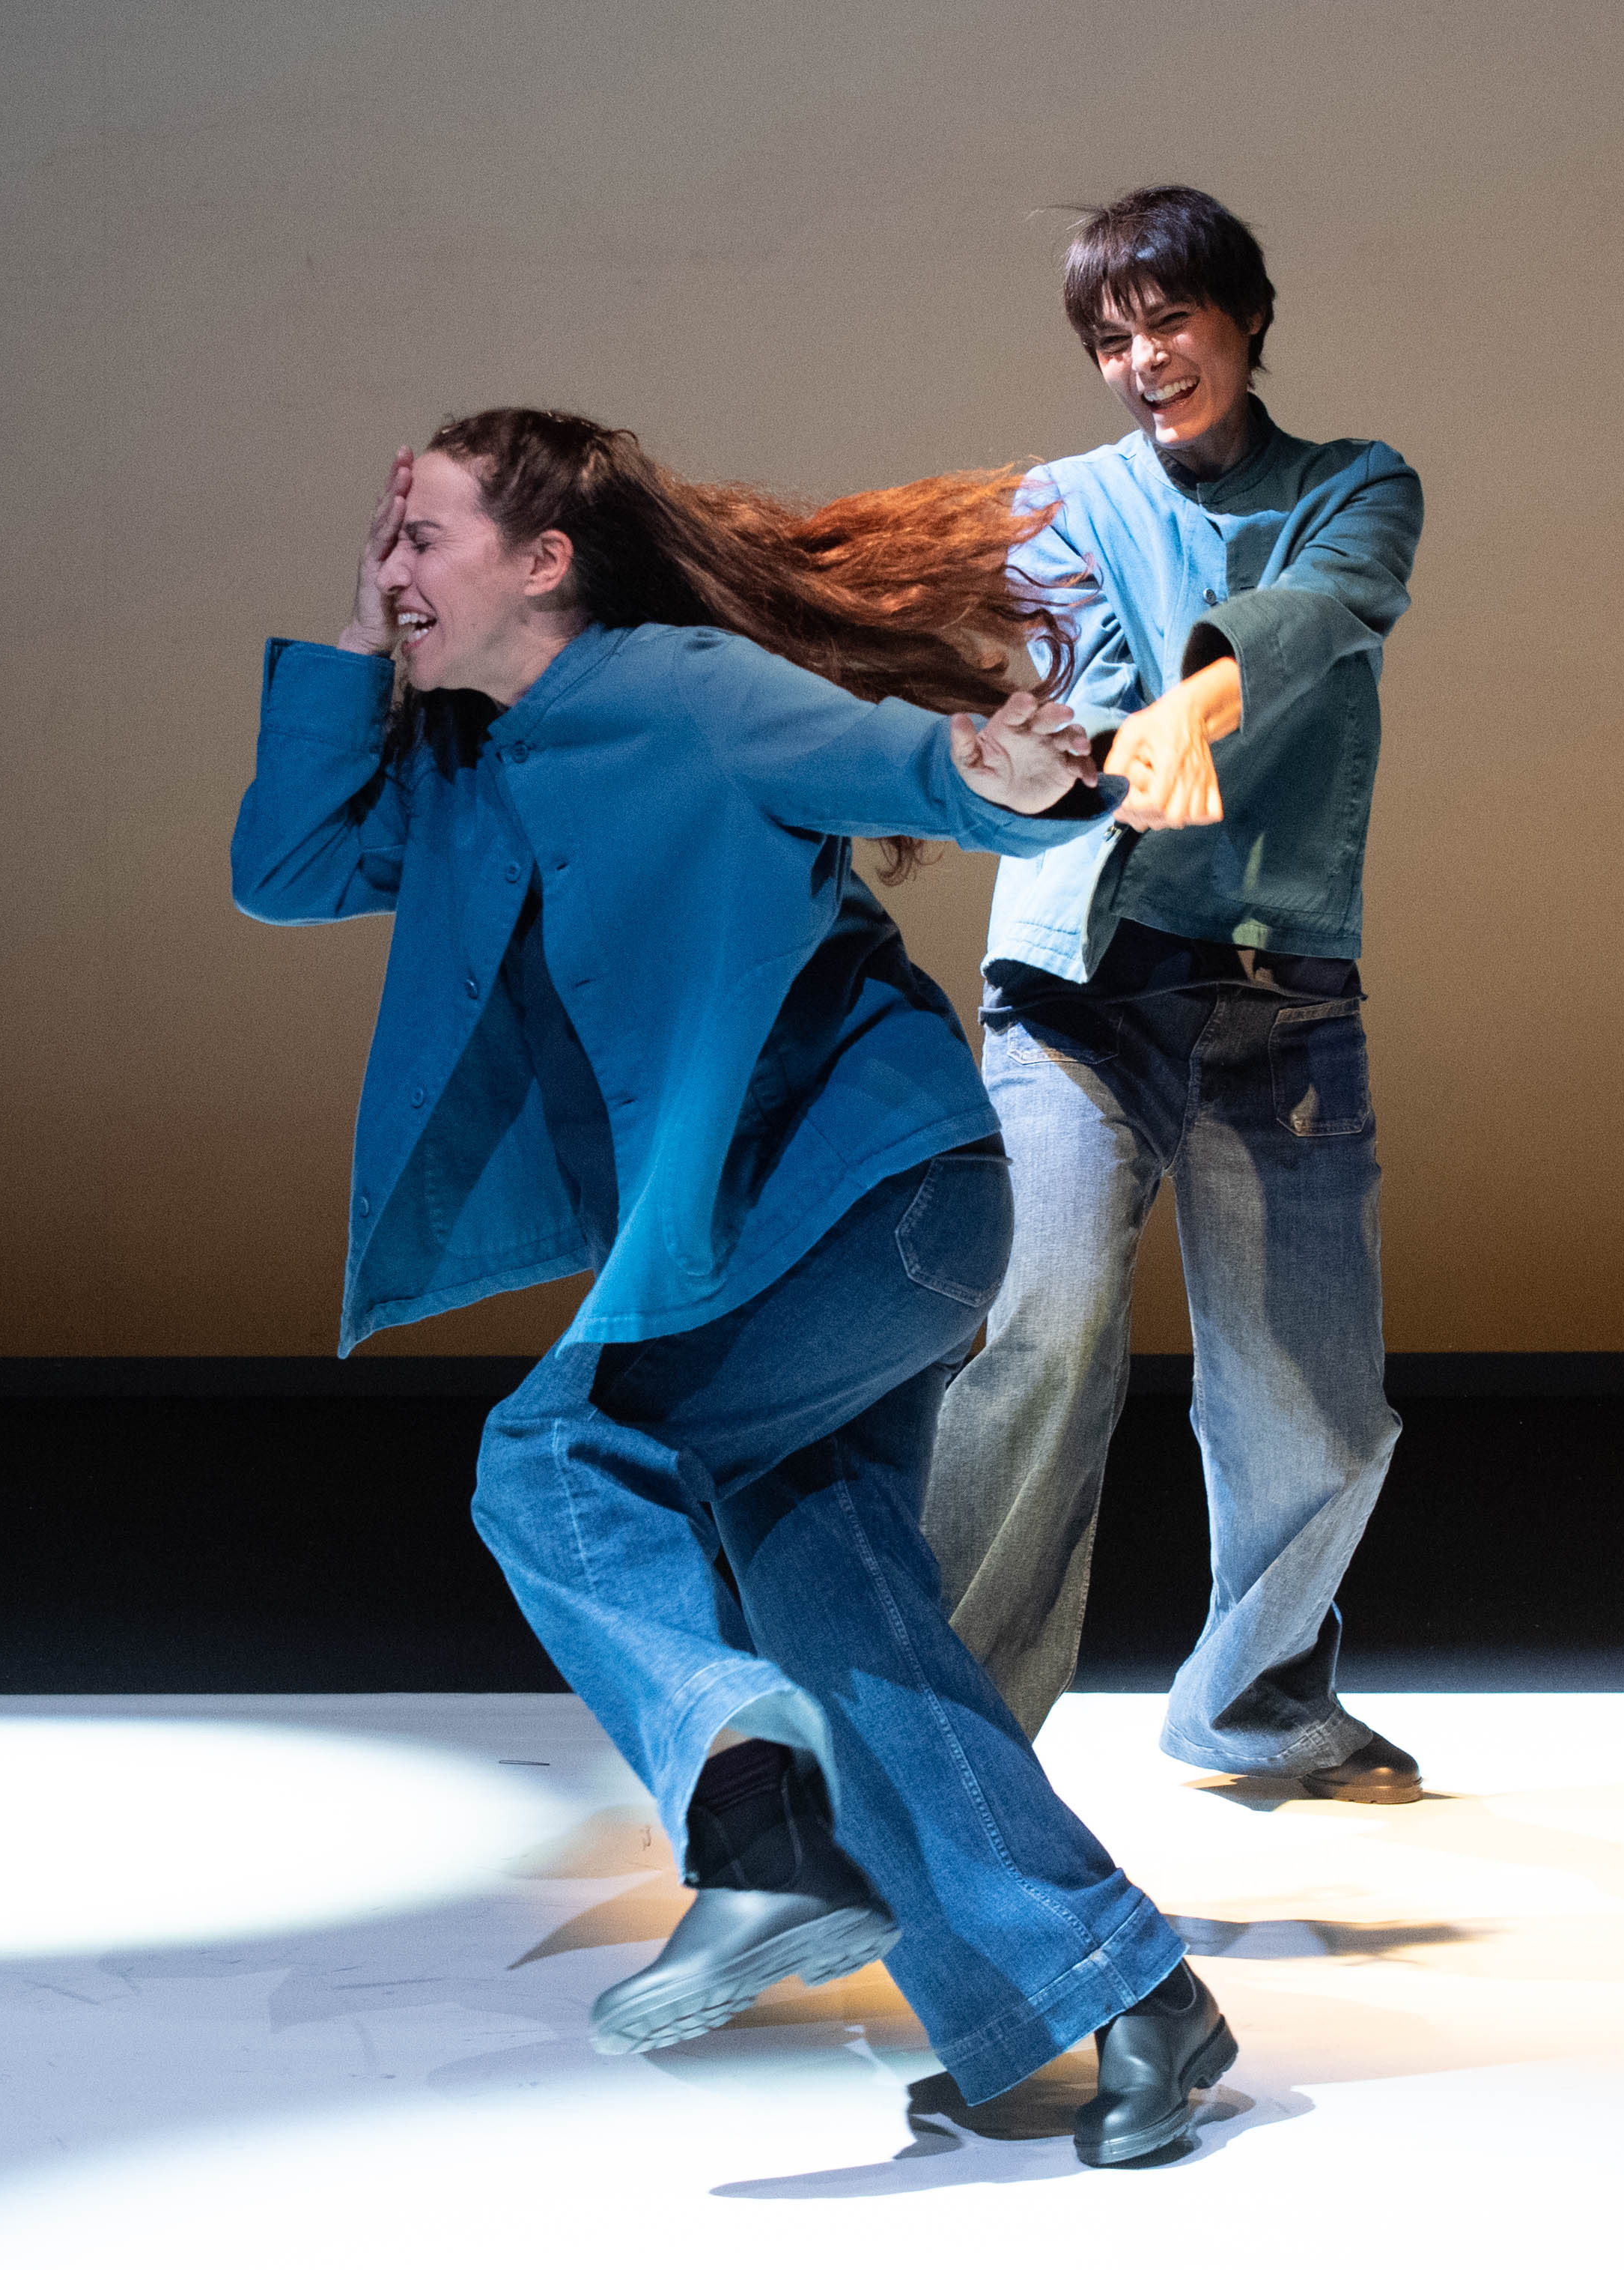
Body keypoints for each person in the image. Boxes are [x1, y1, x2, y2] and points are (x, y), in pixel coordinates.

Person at [231, 408, 1242, 2166]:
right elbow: (286, 868)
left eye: (424, 538)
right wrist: (354, 627)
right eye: (381, 543)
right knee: (842, 1626)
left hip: (871, 1202)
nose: (392, 571)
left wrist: (1016, 774)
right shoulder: (468, 768)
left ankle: (757, 1826)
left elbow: (921, 773)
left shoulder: (687, 691)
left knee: (555, 1453)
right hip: (766, 1238)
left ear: (544, 561)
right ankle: (1113, 1988)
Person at [922, 186, 1429, 1798]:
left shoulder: (1356, 483)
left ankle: (1252, 1699)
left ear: (1245, 317)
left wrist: (1198, 706)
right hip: (1079, 987)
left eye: (1168, 321)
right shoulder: (1059, 501)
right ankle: (945, 1739)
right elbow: (1078, 672)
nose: (1143, 357)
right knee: (1038, 1339)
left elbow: (1326, 609)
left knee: (1314, 1402)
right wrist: (1131, 734)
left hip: (1277, 989)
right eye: (1110, 337)